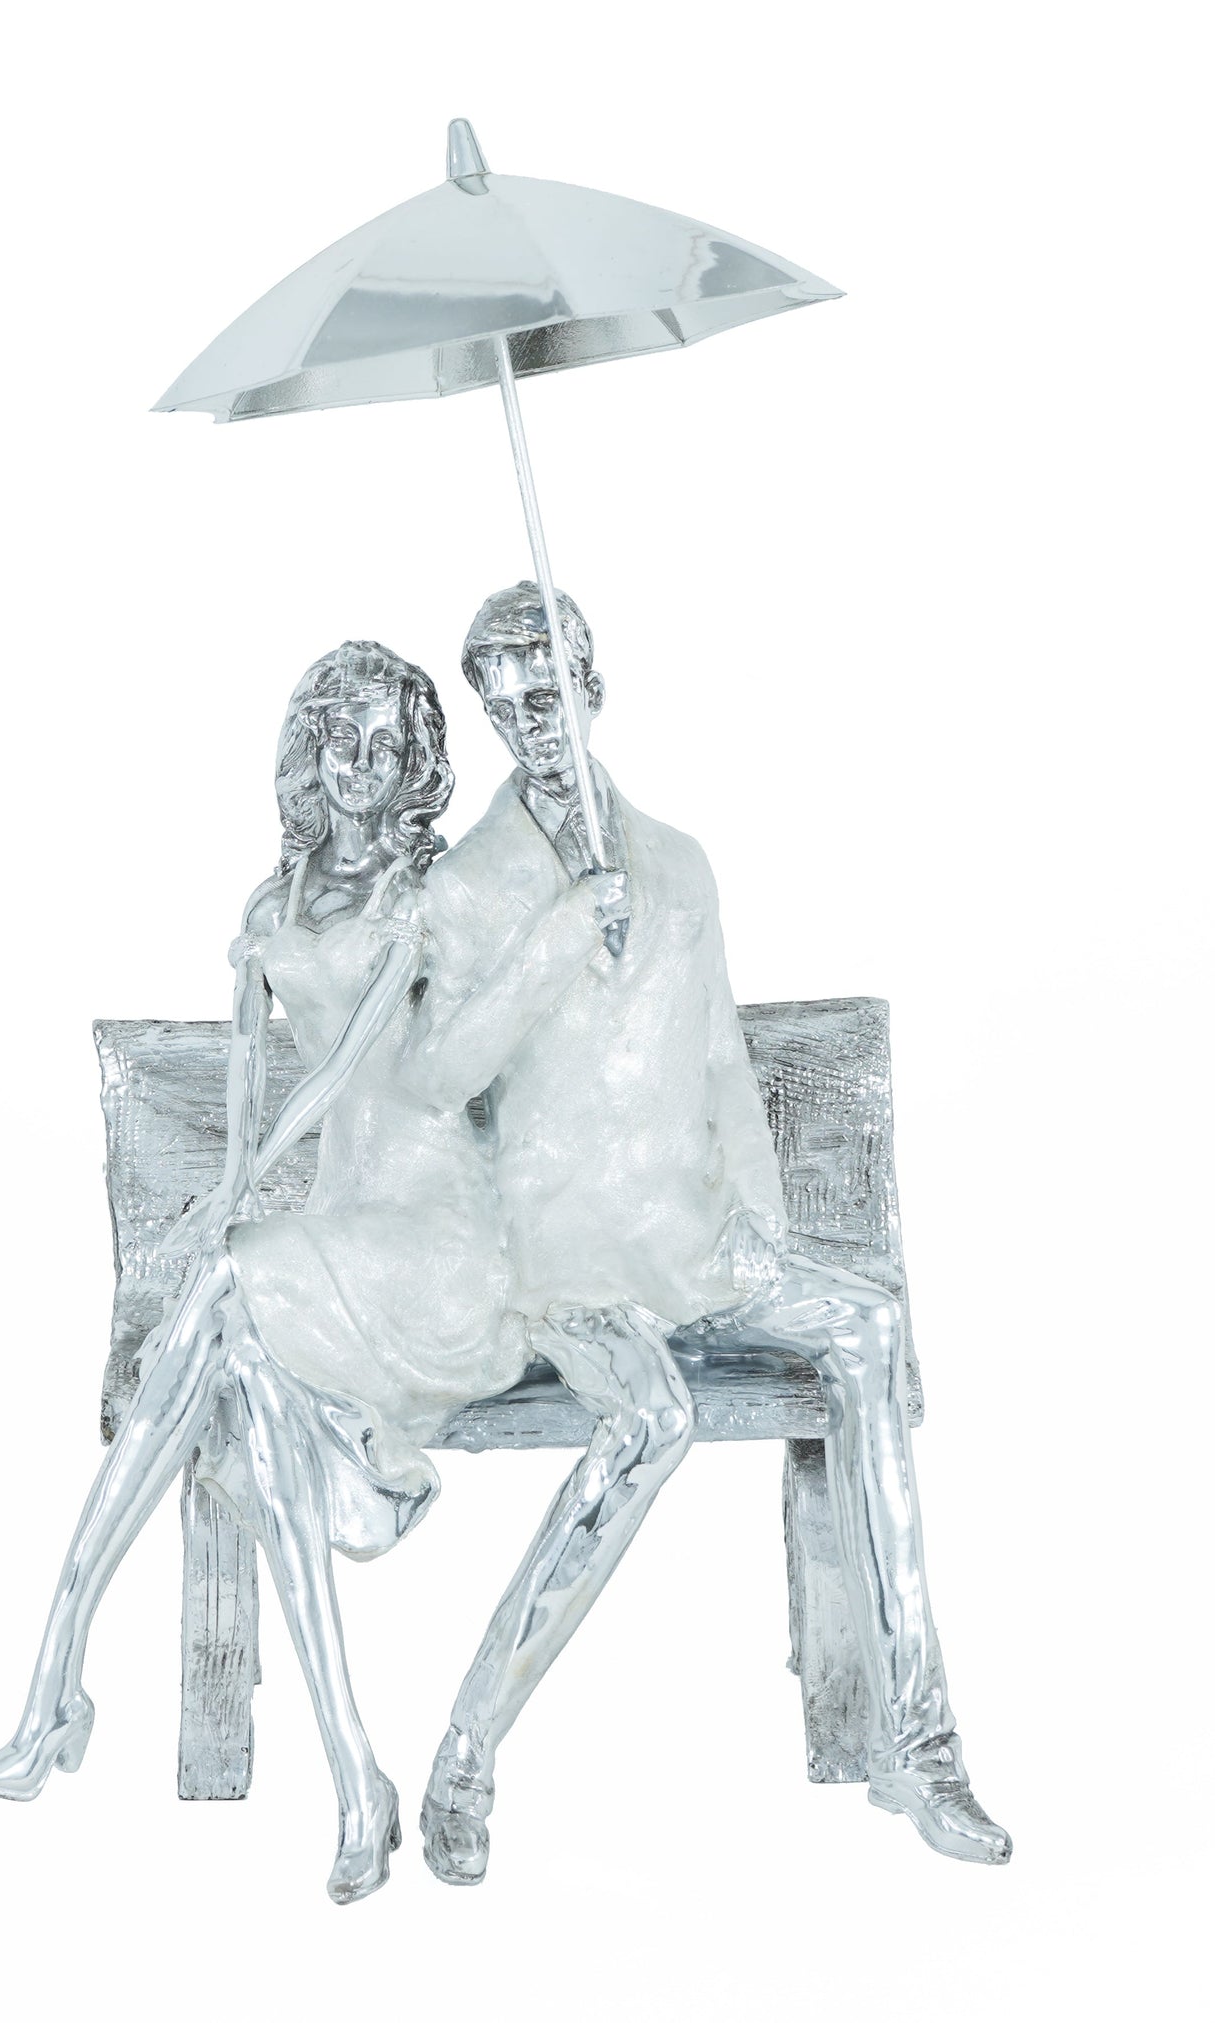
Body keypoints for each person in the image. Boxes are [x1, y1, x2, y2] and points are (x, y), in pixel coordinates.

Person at [407, 582, 1011, 1881]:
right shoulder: (465, 889)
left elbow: (725, 1062)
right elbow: (434, 1077)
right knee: (653, 1418)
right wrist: (552, 939)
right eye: (501, 706)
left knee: (867, 1331)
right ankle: (465, 1751)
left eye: (545, 692)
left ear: (591, 687)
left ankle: (918, 1746)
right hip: (558, 1266)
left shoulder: (677, 862)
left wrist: (763, 1220)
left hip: (690, 1240)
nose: (528, 722)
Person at [0, 642, 530, 1905]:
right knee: (254, 1409)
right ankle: (354, 1778)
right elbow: (244, 1084)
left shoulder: (426, 899)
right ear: (307, 749)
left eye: (387, 747)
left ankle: (55, 1680)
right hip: (335, 1240)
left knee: (219, 1295)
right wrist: (227, 1185)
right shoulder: (273, 906)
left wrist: (225, 1218)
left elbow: (335, 1080)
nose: (361, 767)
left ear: (414, 767)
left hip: (442, 1251)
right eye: (342, 739)